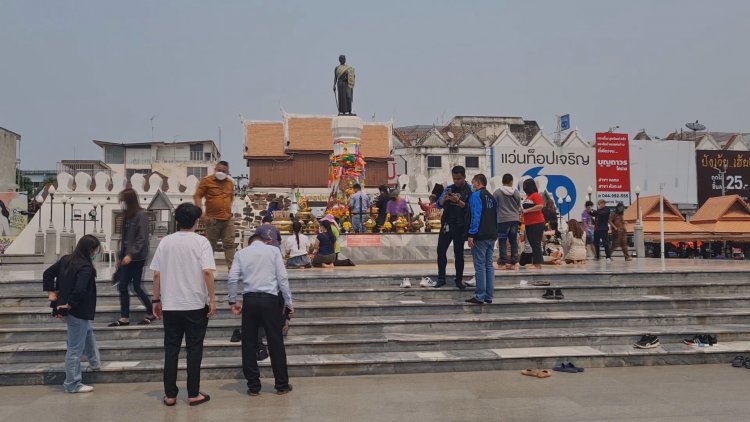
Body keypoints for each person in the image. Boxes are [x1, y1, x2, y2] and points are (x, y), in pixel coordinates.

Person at [151, 202, 217, 407]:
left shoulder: (165, 242)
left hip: (171, 305)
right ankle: (193, 393)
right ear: (196, 221)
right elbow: (207, 272)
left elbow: (156, 274)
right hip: (195, 304)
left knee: (171, 350)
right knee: (194, 349)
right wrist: (213, 298)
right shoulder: (201, 242)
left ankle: (170, 395)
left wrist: (155, 299)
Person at [228, 233, 295, 396]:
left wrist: (233, 301)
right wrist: (289, 302)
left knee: (249, 342)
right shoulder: (273, 252)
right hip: (270, 300)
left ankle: (253, 386)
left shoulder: (240, 254)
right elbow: (282, 278)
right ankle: (281, 384)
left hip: (249, 300)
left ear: (249, 243)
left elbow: (232, 278)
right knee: (275, 342)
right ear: (264, 241)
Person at [43, 235, 102, 393]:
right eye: (95, 250)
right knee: (74, 349)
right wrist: (68, 304)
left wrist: (52, 295)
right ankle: (72, 384)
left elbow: (47, 274)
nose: (96, 253)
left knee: (88, 331)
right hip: (77, 311)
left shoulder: (66, 259)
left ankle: (95, 362)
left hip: (70, 310)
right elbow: (80, 290)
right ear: (90, 250)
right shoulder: (85, 267)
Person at [109, 188, 155, 327]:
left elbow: (142, 239)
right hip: (126, 257)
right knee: (122, 286)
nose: (121, 203)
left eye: (123, 200)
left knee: (136, 286)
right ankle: (124, 317)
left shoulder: (141, 215)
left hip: (137, 258)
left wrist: (131, 254)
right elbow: (124, 239)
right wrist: (121, 256)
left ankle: (151, 312)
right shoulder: (126, 216)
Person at [434, 166, 471, 289]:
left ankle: (459, 279)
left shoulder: (469, 190)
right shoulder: (449, 189)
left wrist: (458, 202)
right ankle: (441, 278)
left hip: (460, 225)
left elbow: (470, 208)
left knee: (458, 253)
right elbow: (438, 205)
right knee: (441, 250)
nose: (456, 181)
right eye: (454, 178)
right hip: (447, 224)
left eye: (459, 179)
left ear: (464, 177)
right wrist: (444, 200)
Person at [194, 160, 236, 269]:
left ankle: (233, 271)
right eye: (219, 170)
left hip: (227, 219)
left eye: (224, 171)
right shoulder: (207, 181)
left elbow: (231, 198)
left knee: (230, 244)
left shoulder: (230, 183)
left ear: (227, 172)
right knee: (210, 246)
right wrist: (201, 212)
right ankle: (207, 270)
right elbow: (197, 196)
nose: (221, 172)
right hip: (212, 219)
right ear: (215, 170)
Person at [465, 174, 497, 305]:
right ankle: (489, 295)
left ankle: (479, 296)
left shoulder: (476, 196)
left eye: (473, 183)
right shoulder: (491, 196)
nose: (472, 186)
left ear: (478, 183)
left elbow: (476, 216)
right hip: (492, 234)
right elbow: (496, 216)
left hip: (481, 235)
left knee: (480, 266)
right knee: (489, 265)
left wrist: (471, 234)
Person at [493, 173, 522, 270]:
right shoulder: (516, 192)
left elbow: (493, 205)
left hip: (502, 220)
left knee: (502, 241)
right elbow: (519, 204)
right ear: (511, 182)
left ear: (502, 181)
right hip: (514, 219)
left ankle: (503, 263)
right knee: (513, 241)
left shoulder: (497, 192)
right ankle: (515, 263)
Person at [521, 178, 545, 270]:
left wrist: (527, 210)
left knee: (535, 243)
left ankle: (537, 263)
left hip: (536, 222)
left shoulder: (536, 195)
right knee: (533, 243)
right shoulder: (528, 197)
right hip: (529, 223)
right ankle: (536, 262)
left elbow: (540, 206)